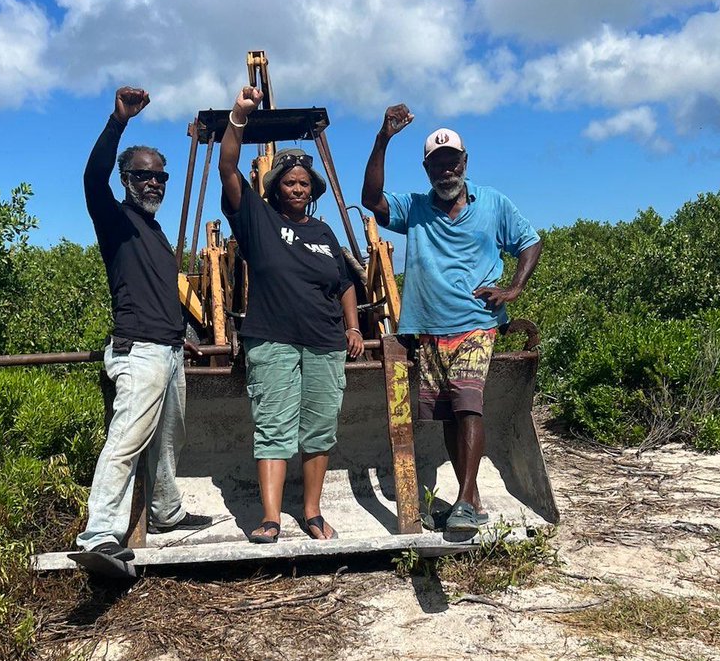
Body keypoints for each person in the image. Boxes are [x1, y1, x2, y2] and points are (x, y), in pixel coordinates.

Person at [360, 104, 543, 531]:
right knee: (446, 411)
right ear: (427, 169)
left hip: (477, 320)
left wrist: (514, 288)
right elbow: (371, 200)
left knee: (467, 401)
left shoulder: (494, 203)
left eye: (452, 162)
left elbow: (529, 242)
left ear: (465, 162)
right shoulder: (416, 209)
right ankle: (472, 500)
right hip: (427, 328)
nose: (446, 172)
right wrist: (383, 138)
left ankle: (462, 499)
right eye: (437, 165)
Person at [218, 86, 365, 543]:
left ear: (312, 189)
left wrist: (354, 325)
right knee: (275, 427)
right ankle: (270, 517)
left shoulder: (324, 232)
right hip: (273, 340)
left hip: (324, 342)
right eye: (289, 182)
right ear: (275, 187)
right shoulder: (258, 220)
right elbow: (227, 166)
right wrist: (239, 117)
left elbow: (342, 283)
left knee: (320, 429)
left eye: (304, 183)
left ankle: (313, 512)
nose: (297, 188)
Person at [76, 86, 213, 561]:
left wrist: (184, 337)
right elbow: (92, 179)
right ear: (127, 180)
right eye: (144, 176)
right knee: (127, 439)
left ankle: (166, 510)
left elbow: (160, 295)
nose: (155, 183)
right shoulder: (115, 219)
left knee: (169, 439)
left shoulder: (154, 233)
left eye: (161, 177)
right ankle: (99, 534)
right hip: (139, 349)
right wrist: (118, 121)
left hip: (170, 349)